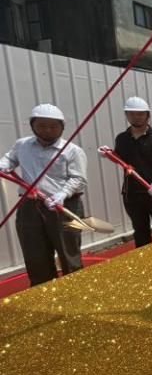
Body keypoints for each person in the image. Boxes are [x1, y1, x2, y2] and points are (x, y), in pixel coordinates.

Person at [0, 104, 87, 285]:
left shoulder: (72, 150)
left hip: (63, 206)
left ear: (62, 127)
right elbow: (10, 158)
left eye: (53, 126)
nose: (47, 130)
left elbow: (78, 179)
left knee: (69, 254)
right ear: (33, 125)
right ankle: (43, 292)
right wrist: (4, 165)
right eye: (42, 125)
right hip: (29, 206)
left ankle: (75, 293)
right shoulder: (22, 145)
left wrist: (62, 194)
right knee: (35, 256)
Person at [109, 97, 152, 248]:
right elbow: (121, 161)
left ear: (147, 115)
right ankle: (144, 259)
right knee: (140, 230)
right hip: (132, 193)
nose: (136, 117)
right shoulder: (122, 138)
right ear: (126, 115)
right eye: (131, 113)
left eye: (140, 114)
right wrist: (109, 154)